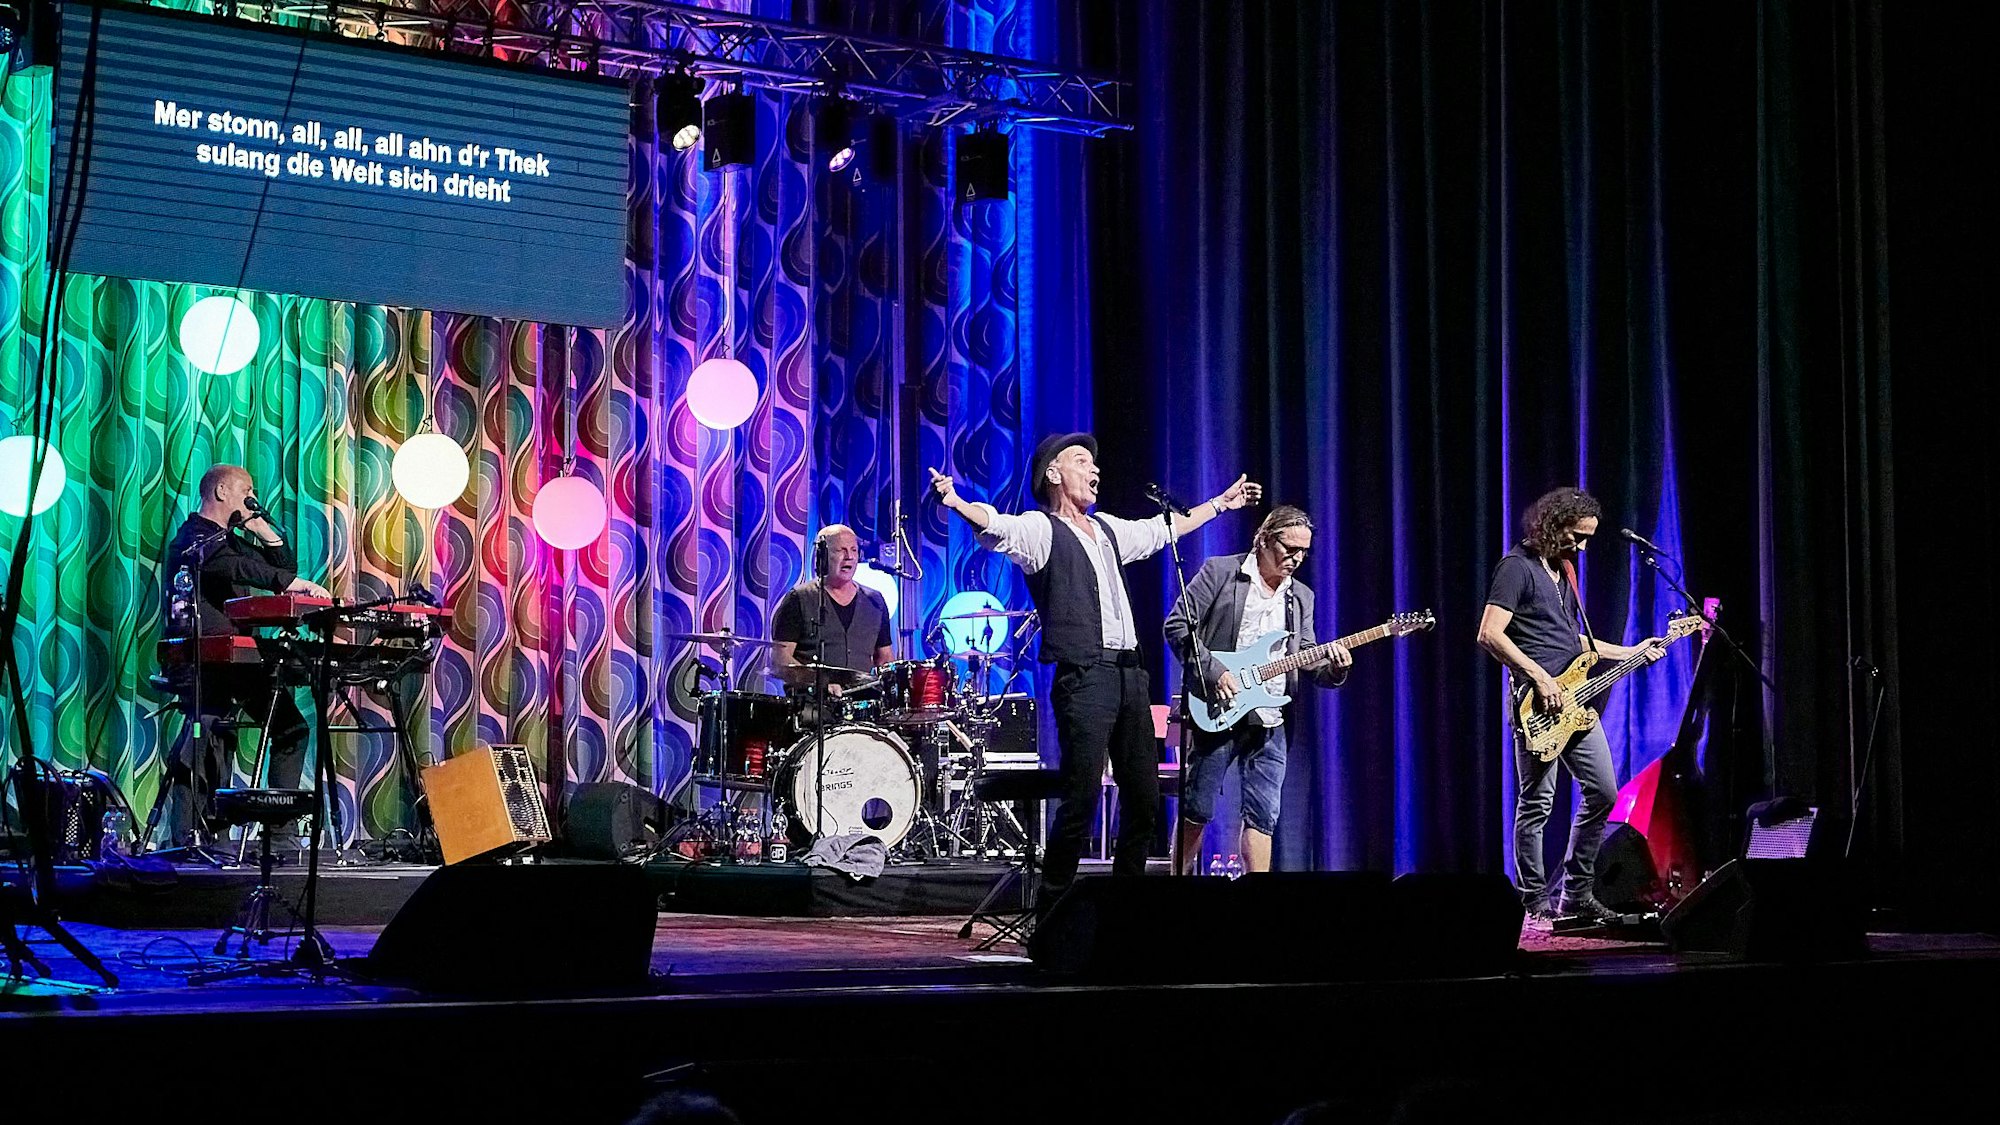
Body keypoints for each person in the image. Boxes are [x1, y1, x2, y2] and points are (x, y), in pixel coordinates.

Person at [930, 432, 1262, 907]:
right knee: (1082, 798)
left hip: (1131, 676)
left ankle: (1123, 911)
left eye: (1095, 463)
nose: (1095, 469)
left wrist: (1220, 504)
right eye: (1082, 461)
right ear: (1053, 474)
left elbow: (1161, 529)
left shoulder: (1106, 528)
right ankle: (1054, 910)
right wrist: (959, 502)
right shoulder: (1041, 529)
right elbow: (997, 527)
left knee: (1144, 802)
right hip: (1085, 676)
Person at [1475, 486, 1664, 926]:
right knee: (1537, 803)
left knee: (1604, 792)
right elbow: (1490, 633)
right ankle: (1532, 902)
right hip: (1536, 704)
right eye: (1575, 536)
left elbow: (1571, 641)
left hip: (1575, 702)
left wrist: (1632, 651)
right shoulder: (1516, 568)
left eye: (1586, 539)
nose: (1581, 547)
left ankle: (1575, 895)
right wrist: (1539, 678)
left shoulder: (1564, 571)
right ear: (1551, 526)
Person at [1164, 505, 1350, 874]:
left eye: (1304, 552)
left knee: (1263, 813)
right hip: (1218, 706)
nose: (1297, 559)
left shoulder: (1301, 597)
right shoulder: (1220, 572)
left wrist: (1336, 669)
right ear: (1264, 539)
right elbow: (1177, 626)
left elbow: (1308, 659)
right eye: (1290, 549)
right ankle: (1176, 885)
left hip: (1272, 716)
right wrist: (1216, 673)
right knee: (1197, 806)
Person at [161, 464, 329, 832]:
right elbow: (235, 567)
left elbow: (281, 565)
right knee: (213, 730)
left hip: (238, 659)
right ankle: (196, 834)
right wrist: (292, 583)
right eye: (246, 489)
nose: (252, 497)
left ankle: (280, 836)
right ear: (222, 491)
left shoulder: (233, 540)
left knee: (290, 727)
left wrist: (261, 528)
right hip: (201, 660)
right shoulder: (193, 538)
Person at [769, 523, 895, 691]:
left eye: (853, 550)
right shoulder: (798, 598)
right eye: (840, 550)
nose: (849, 556)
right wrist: (818, 683)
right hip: (811, 705)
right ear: (823, 555)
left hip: (861, 706)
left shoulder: (875, 601)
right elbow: (780, 659)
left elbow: (885, 659)